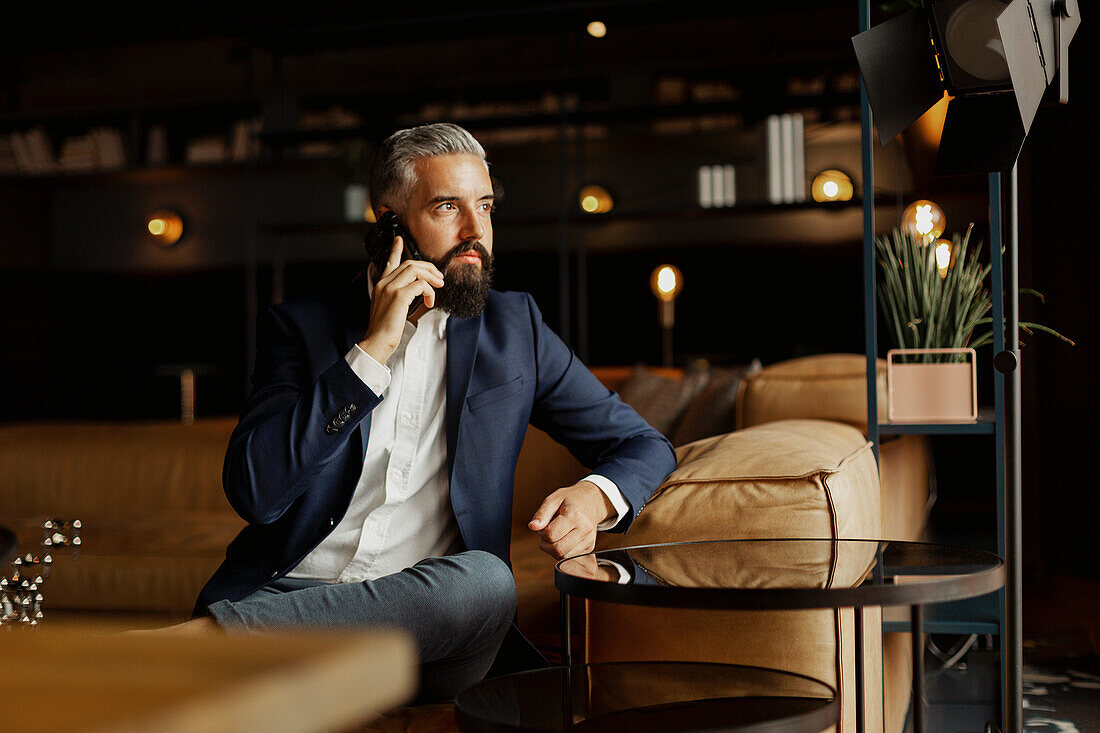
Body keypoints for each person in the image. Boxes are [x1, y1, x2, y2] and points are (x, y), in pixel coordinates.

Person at [179, 123, 676, 703]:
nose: (476, 232)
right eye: (448, 208)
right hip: (286, 597)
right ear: (389, 222)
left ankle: (199, 650)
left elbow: (643, 445)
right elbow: (256, 493)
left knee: (486, 583)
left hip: (430, 636)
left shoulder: (515, 331)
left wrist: (595, 498)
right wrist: (370, 354)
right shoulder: (302, 328)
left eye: (485, 207)